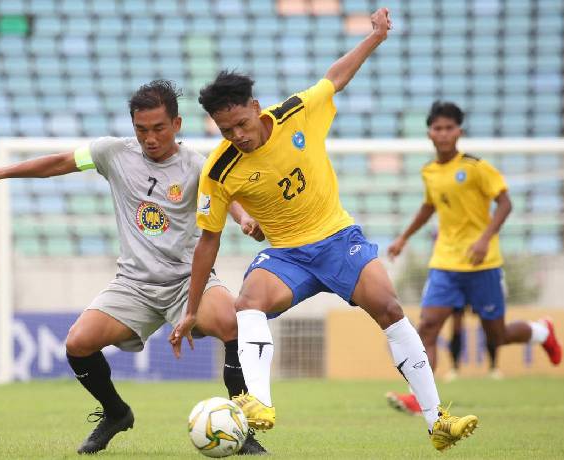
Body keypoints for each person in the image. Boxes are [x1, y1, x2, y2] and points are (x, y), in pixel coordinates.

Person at [169, 8, 477, 452]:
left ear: (256, 108)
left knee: (389, 308)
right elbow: (208, 241)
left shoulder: (297, 113)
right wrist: (191, 308)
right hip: (288, 255)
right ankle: (258, 404)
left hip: (337, 239)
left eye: (241, 123)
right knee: (247, 302)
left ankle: (437, 422)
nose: (237, 134)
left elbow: (335, 77)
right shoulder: (219, 170)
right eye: (225, 128)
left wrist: (375, 37)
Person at [0, 80, 267, 455]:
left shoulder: (197, 166)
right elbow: (60, 162)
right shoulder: (112, 153)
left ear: (176, 124)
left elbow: (227, 197)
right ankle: (116, 413)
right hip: (134, 285)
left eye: (158, 128)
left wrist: (244, 219)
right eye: (141, 129)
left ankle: (244, 427)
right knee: (78, 342)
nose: (150, 138)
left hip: (187, 281)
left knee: (231, 322)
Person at [384, 101, 563, 415]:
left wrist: (484, 239)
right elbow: (429, 207)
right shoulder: (429, 171)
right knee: (427, 326)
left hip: (483, 264)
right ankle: (419, 397)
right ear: (429, 133)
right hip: (444, 263)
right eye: (437, 128)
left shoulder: (478, 168)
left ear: (459, 132)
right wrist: (403, 237)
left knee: (498, 335)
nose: (443, 133)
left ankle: (543, 332)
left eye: (449, 128)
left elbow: (505, 204)